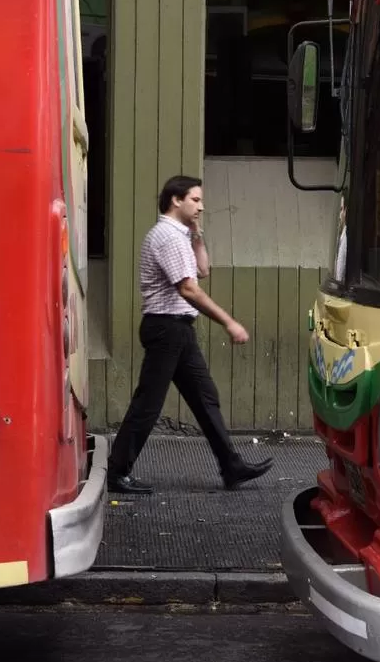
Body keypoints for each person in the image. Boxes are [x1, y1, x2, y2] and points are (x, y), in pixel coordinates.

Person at [107, 175, 273, 494]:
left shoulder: (180, 236)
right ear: (176, 200)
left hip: (178, 330)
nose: (201, 206)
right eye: (195, 200)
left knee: (205, 396)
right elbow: (188, 288)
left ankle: (231, 466)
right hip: (166, 328)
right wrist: (229, 322)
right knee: (149, 403)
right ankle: (117, 472)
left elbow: (203, 270)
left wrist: (197, 236)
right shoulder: (167, 237)